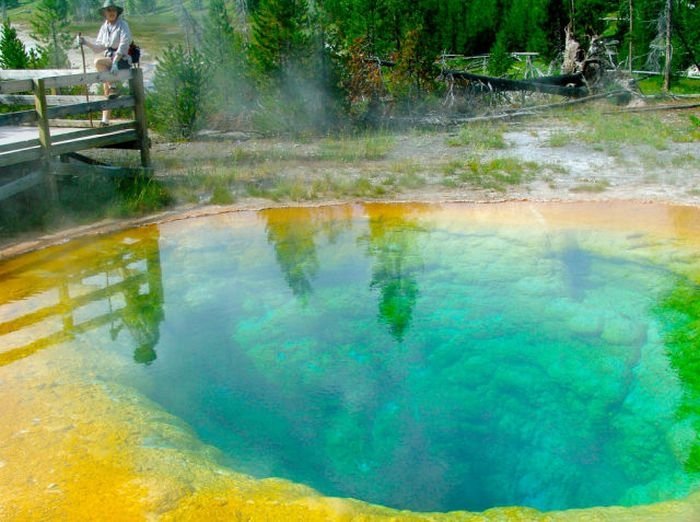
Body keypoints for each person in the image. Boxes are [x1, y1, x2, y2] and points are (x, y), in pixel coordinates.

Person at [76, 0, 132, 126]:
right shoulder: (105, 27)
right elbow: (99, 47)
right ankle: (105, 120)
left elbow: (123, 45)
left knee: (98, 61)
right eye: (108, 10)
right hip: (110, 60)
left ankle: (112, 86)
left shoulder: (123, 25)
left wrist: (115, 62)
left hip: (121, 60)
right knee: (106, 89)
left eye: (113, 10)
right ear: (104, 13)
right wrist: (85, 42)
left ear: (117, 12)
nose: (111, 13)